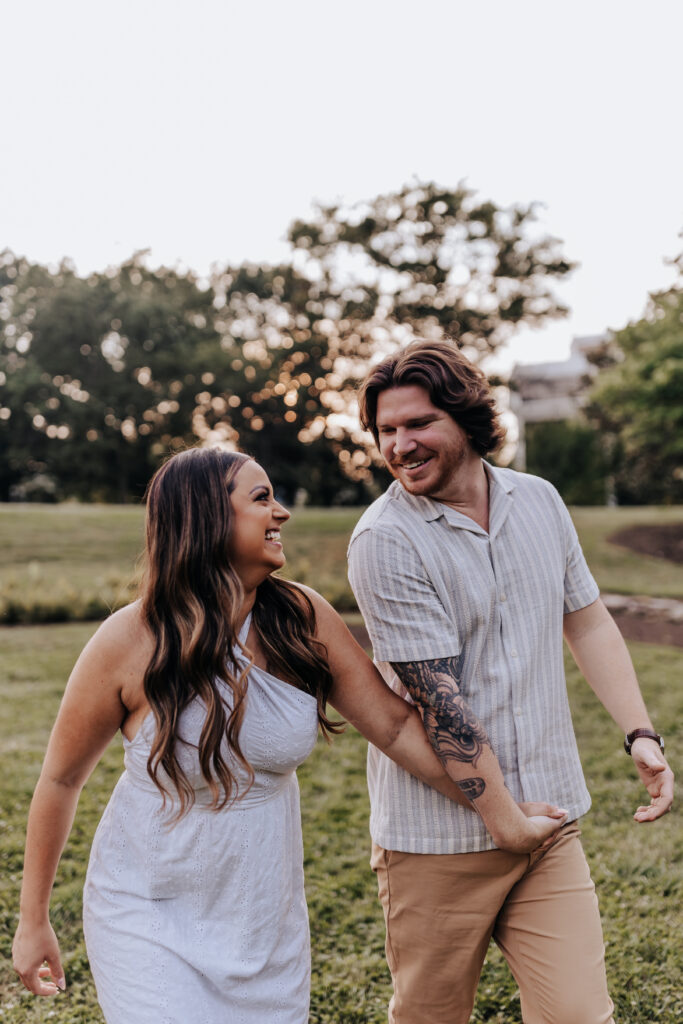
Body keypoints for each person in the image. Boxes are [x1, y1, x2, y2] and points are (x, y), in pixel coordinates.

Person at [11, 447, 565, 1024]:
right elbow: (60, 779)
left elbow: (398, 727)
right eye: (261, 499)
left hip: (261, 914)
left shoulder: (302, 618)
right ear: (207, 518)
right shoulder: (129, 639)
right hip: (146, 908)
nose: (282, 513)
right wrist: (33, 921)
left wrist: (494, 804)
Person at [347, 340, 674, 1024]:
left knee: (579, 1016)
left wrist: (638, 732)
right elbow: (440, 705)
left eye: (417, 424)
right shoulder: (385, 540)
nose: (399, 445)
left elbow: (585, 621)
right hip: (435, 843)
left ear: (466, 420)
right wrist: (505, 823)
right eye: (386, 431)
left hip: (550, 822)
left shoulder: (539, 501)